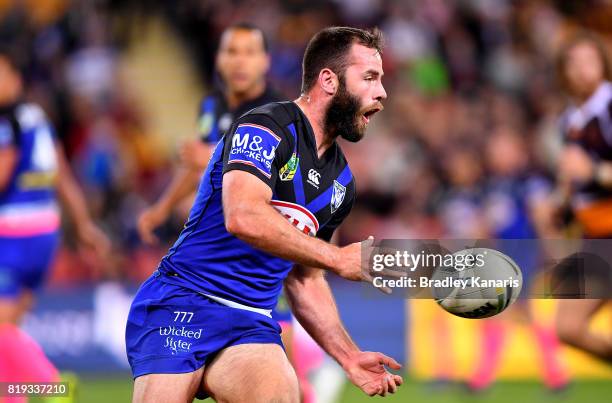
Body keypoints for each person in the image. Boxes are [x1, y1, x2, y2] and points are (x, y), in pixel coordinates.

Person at [126, 26, 403, 402]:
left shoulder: (341, 182)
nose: (381, 92)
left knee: (280, 395)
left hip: (249, 320)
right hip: (184, 299)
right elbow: (242, 216)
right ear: (329, 81)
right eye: (369, 77)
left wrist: (348, 356)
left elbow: (305, 279)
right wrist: (338, 258)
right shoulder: (264, 127)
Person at [0, 48, 110, 398]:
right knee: (8, 333)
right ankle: (11, 394)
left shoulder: (7, 121)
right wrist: (83, 224)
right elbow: (62, 175)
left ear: (16, 78)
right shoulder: (37, 117)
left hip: (12, 236)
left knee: (0, 330)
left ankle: (51, 386)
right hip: (44, 234)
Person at [137, 23, 280, 245]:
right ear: (219, 59)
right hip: (226, 223)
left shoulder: (279, 112)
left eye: (250, 53)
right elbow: (196, 162)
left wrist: (214, 157)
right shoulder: (211, 106)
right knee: (188, 208)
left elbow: (283, 177)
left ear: (265, 61)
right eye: (231, 52)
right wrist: (162, 209)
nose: (240, 61)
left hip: (268, 228)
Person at [553, 32, 612, 363]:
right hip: (595, 234)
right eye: (572, 63)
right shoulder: (570, 120)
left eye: (589, 61)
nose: (581, 70)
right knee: (568, 327)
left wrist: (594, 172)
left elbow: (589, 171)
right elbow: (573, 178)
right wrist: (559, 202)